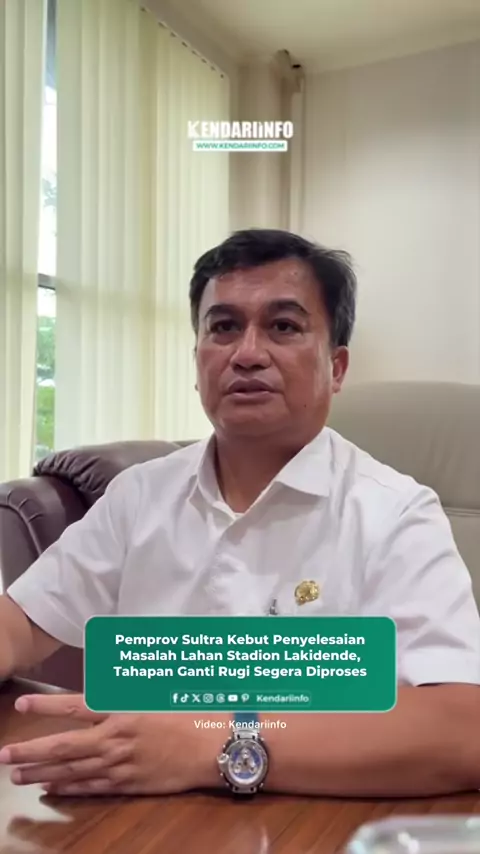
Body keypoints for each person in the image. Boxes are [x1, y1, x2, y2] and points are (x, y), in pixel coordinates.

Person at [0, 228, 479, 799]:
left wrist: (218, 746)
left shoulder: (396, 512)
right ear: (197, 359)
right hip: (141, 811)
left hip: (315, 816)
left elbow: (462, 728)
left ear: (337, 367)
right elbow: (21, 622)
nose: (247, 354)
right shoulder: (139, 495)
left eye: (284, 327)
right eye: (223, 327)